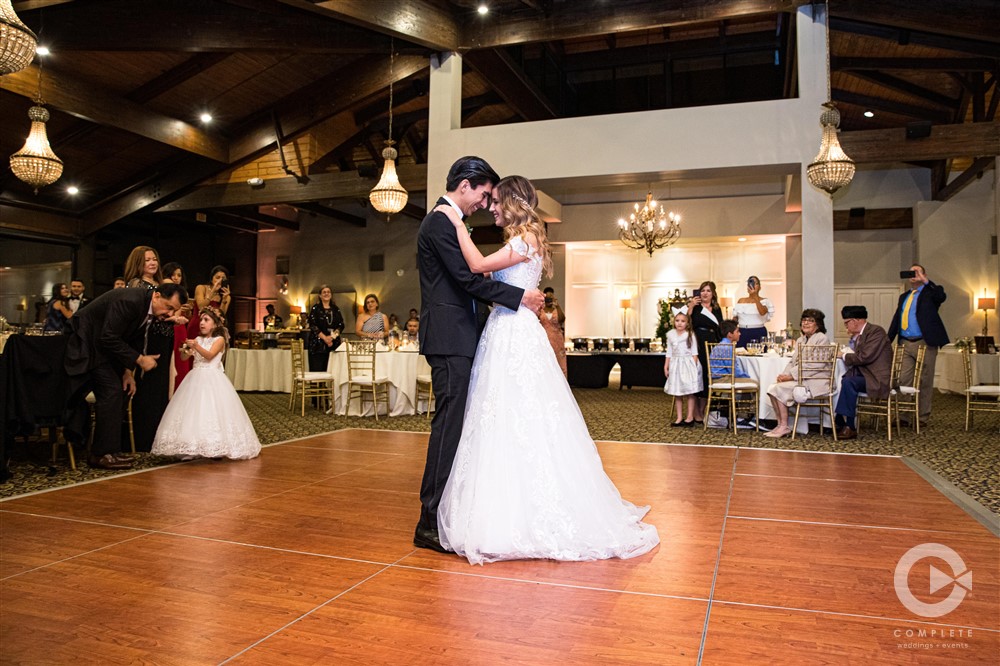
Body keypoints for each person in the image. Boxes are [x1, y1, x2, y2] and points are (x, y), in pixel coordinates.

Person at [432, 174, 659, 564]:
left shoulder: (526, 240)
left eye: (498, 202)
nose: (492, 208)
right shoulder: (520, 241)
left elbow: (476, 263)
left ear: (514, 203)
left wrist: (456, 225)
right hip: (505, 330)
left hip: (514, 335)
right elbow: (490, 278)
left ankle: (530, 510)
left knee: (522, 413)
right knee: (502, 416)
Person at [413, 156, 544, 555]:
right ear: (466, 185)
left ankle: (446, 512)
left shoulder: (451, 221)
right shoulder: (440, 220)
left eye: (493, 199)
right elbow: (468, 279)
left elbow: (473, 277)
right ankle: (428, 522)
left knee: (459, 426)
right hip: (450, 339)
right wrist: (520, 297)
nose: (485, 205)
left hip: (462, 338)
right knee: (448, 427)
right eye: (484, 195)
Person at [64, 283, 187, 469]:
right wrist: (139, 359)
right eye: (169, 307)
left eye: (174, 310)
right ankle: (99, 455)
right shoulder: (130, 301)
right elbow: (108, 336)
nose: (170, 314)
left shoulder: (149, 309)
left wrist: (128, 372)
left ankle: (111, 451)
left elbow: (133, 340)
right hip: (85, 344)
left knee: (123, 390)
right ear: (157, 296)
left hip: (103, 349)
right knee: (111, 391)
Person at [152, 308, 261, 460]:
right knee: (192, 412)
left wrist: (196, 346)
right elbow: (184, 358)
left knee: (212, 411)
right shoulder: (198, 339)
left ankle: (215, 447)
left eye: (206, 320)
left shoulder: (219, 340)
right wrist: (186, 351)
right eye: (201, 320)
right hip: (195, 378)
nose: (202, 323)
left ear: (215, 324)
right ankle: (191, 447)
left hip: (213, 378)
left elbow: (210, 356)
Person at [124, 246, 182, 452]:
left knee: (161, 386)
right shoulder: (136, 284)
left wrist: (172, 318)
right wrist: (169, 318)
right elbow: (142, 317)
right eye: (147, 260)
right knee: (147, 387)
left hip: (164, 336)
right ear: (138, 263)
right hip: (148, 339)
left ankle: (159, 435)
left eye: (154, 259)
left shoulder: (158, 284)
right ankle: (143, 437)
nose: (152, 263)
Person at [886, 264, 948, 426]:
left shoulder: (930, 293)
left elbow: (941, 296)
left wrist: (925, 280)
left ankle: (921, 417)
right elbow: (896, 319)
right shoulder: (904, 296)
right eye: (911, 272)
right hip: (905, 342)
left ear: (923, 274)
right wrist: (887, 341)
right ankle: (903, 416)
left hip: (924, 342)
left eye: (917, 272)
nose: (913, 275)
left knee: (924, 380)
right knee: (903, 379)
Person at [764, 309, 830, 438]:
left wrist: (791, 376)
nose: (806, 323)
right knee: (772, 388)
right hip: (802, 377)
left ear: (818, 324)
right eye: (804, 320)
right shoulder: (801, 340)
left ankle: (784, 426)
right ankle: (780, 424)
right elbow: (793, 362)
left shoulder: (822, 339)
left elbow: (815, 365)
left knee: (779, 389)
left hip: (816, 379)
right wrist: (784, 375)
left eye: (810, 321)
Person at [835, 305, 893, 440]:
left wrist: (842, 355)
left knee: (848, 382)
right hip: (865, 374)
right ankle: (837, 420)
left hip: (876, 377)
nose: (846, 327)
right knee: (841, 379)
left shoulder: (876, 332)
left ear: (855, 321)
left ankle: (849, 425)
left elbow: (864, 357)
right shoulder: (861, 334)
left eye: (847, 323)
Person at [686, 281, 723, 422]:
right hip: (698, 344)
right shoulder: (695, 308)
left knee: (708, 377)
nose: (705, 293)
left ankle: (702, 410)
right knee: (697, 376)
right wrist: (690, 307)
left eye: (708, 290)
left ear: (713, 293)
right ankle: (695, 412)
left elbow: (720, 327)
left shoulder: (717, 308)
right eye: (702, 290)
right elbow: (686, 324)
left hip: (712, 344)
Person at [663, 312, 701, 427]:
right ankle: (679, 417)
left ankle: (690, 417)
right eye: (677, 320)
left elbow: (694, 353)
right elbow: (669, 352)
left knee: (690, 391)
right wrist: (666, 366)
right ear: (674, 322)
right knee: (677, 392)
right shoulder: (671, 335)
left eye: (683, 321)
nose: (679, 323)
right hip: (676, 364)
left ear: (687, 323)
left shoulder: (690, 335)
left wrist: (693, 367)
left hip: (688, 364)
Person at [162, 261, 194, 391]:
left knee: (182, 361)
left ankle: (181, 392)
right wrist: (179, 308)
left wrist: (189, 311)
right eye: (172, 275)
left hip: (181, 329)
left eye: (179, 275)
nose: (176, 278)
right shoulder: (164, 292)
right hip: (170, 327)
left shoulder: (184, 294)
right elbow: (169, 314)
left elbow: (186, 319)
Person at [308, 285, 345, 371]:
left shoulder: (336, 309)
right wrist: (325, 338)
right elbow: (312, 325)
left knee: (332, 369)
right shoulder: (315, 308)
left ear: (331, 295)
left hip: (333, 343)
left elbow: (341, 325)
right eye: (324, 292)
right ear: (320, 295)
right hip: (318, 345)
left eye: (328, 292)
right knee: (318, 370)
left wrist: (332, 337)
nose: (326, 294)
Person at [733, 275, 773, 347]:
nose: (752, 285)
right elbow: (735, 318)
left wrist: (755, 297)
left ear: (760, 287)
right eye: (750, 282)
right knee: (741, 353)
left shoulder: (765, 301)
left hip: (758, 331)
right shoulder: (741, 300)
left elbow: (762, 312)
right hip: (742, 331)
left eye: (755, 283)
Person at [539, 286, 567, 376]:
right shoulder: (541, 309)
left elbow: (562, 319)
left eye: (550, 298)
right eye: (547, 298)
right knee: (546, 362)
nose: (548, 300)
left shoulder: (556, 309)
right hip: (544, 339)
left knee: (559, 363)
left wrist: (557, 305)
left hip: (557, 340)